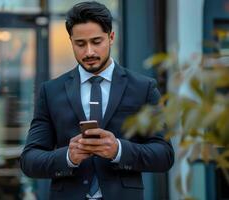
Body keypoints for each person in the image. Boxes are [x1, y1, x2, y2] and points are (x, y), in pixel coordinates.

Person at [19, 1, 174, 199]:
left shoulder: (143, 88)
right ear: (71, 41)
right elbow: (29, 160)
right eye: (80, 44)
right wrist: (67, 157)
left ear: (111, 37)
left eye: (96, 41)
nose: (89, 52)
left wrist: (119, 150)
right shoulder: (50, 91)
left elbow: (164, 155)